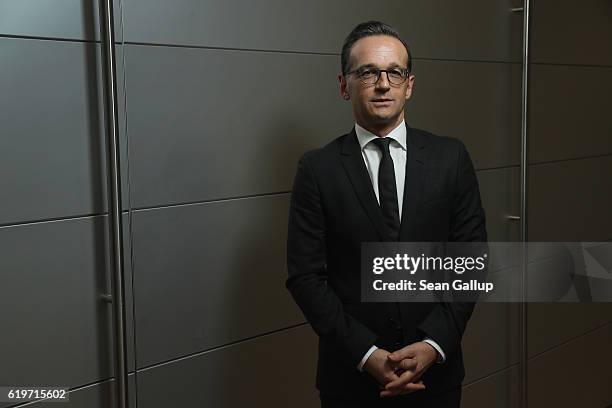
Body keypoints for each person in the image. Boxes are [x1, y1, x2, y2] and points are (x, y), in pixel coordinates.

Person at [285, 20, 487, 408]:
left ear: (409, 84)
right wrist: (367, 354)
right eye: (368, 73)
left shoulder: (451, 158)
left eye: (395, 72)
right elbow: (306, 278)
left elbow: (470, 264)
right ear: (344, 86)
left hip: (436, 379)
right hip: (350, 380)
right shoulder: (317, 169)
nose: (383, 84)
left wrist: (433, 344)